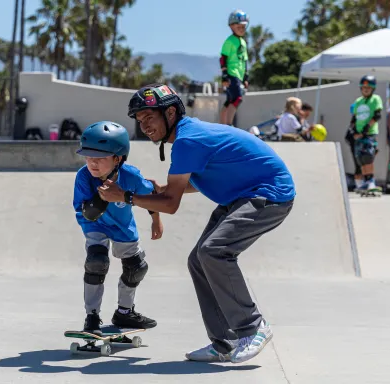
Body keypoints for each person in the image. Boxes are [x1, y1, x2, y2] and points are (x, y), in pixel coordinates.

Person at [97, 83, 296, 364]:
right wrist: (161, 190)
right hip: (240, 196)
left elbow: (170, 204)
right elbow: (184, 186)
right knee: (198, 260)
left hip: (269, 194)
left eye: (149, 118)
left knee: (214, 251)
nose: (145, 127)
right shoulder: (188, 136)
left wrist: (127, 196)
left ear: (169, 113)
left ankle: (253, 327)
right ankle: (225, 341)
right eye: (140, 121)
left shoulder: (188, 140)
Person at [73, 121, 162, 335]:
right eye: (88, 157)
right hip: (95, 225)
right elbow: (87, 212)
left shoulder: (130, 176)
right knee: (96, 262)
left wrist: (156, 220)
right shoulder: (84, 177)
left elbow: (149, 196)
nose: (92, 164)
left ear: (118, 158)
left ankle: (125, 312)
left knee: (136, 268)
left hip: (123, 228)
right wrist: (101, 197)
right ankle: (92, 316)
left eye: (100, 158)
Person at [348, 75, 383, 192]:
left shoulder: (375, 99)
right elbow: (354, 118)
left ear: (373, 89)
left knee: (368, 156)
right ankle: (365, 181)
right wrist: (353, 131)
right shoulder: (358, 101)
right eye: (363, 88)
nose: (366, 90)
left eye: (368, 88)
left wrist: (365, 130)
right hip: (358, 134)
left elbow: (377, 115)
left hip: (369, 133)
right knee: (360, 158)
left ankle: (371, 181)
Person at [219, 9, 249, 126]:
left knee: (230, 100)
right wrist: (225, 76)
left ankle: (222, 125)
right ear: (231, 26)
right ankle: (229, 124)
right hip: (232, 73)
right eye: (239, 27)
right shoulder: (229, 41)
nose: (242, 29)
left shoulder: (243, 42)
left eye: (243, 27)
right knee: (237, 98)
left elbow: (245, 60)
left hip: (239, 75)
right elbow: (223, 58)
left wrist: (246, 77)